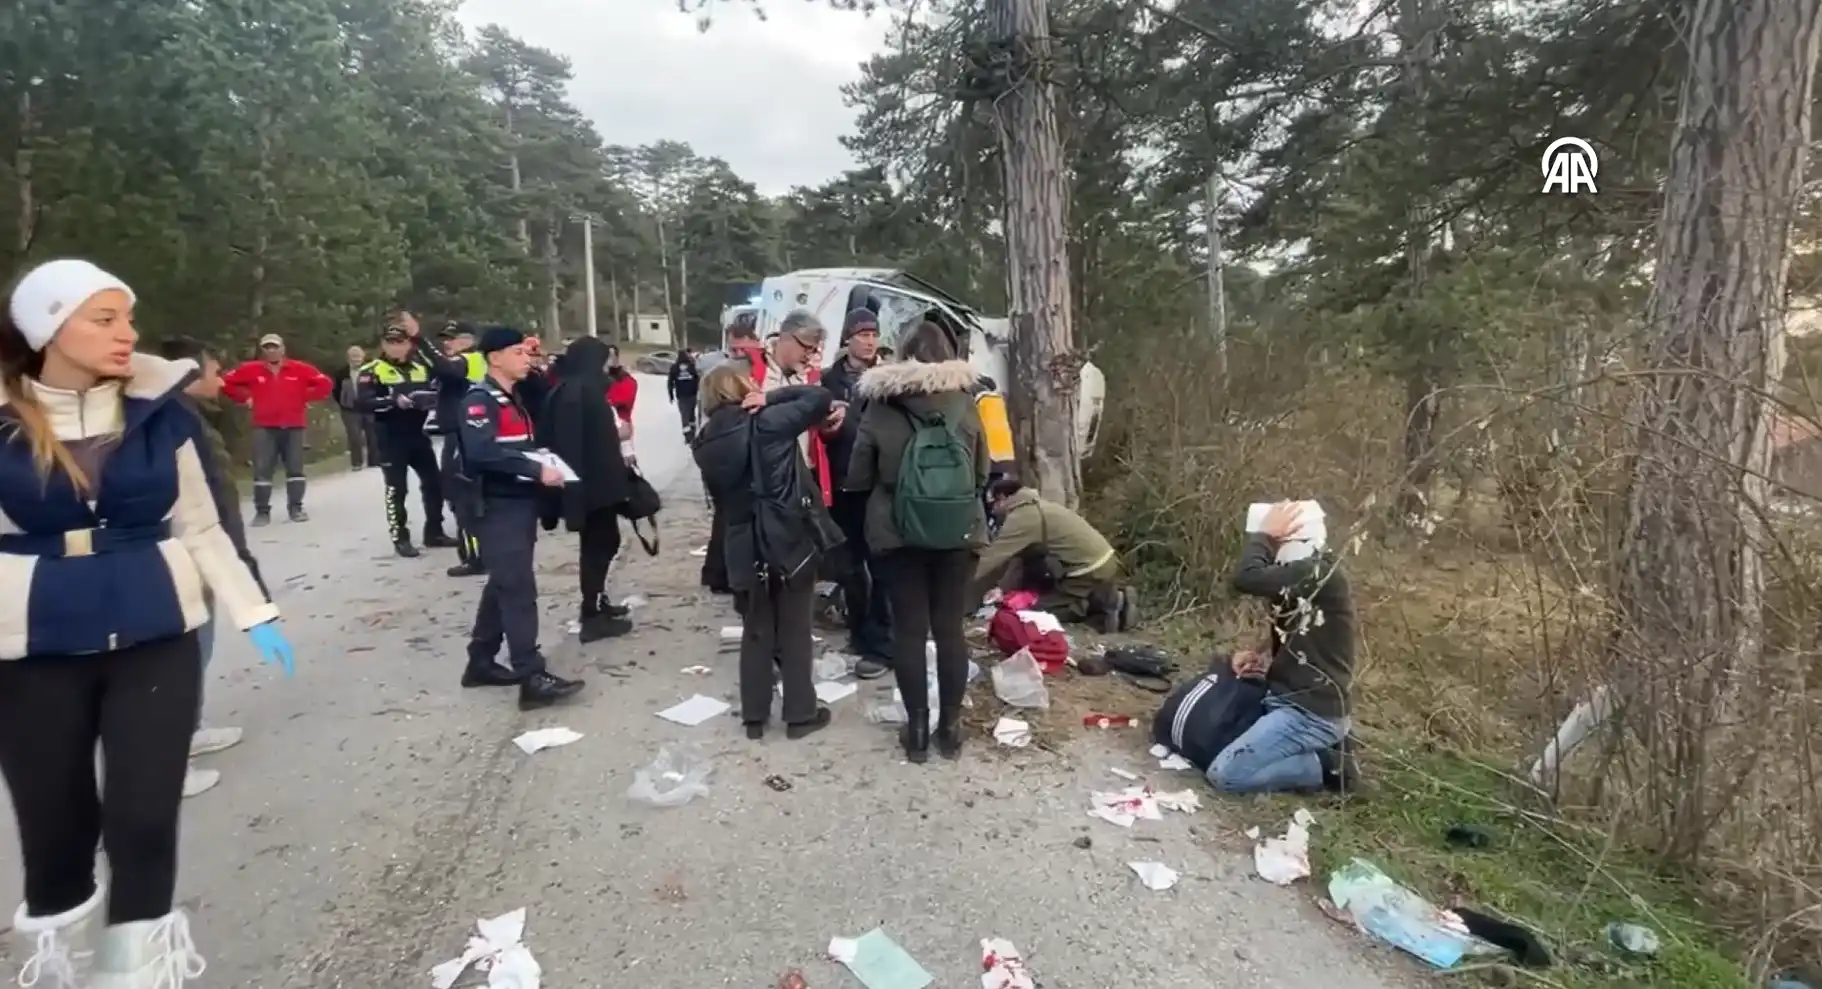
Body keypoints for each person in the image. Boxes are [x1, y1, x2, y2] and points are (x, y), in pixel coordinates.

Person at [0, 259, 294, 986]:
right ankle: (57, 961)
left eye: (128, 318)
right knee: (55, 828)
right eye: (104, 319)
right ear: (46, 327)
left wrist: (252, 609)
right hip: (32, 642)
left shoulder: (160, 411)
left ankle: (132, 971)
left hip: (156, 631)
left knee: (143, 817)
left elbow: (200, 525)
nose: (127, 334)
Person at [846, 321, 992, 762]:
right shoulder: (968, 404)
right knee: (950, 629)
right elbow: (982, 474)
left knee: (909, 631)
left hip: (896, 532)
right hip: (957, 531)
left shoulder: (879, 406)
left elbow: (857, 477)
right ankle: (950, 729)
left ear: (902, 356)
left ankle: (916, 732)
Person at [693, 353, 841, 741]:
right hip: (785, 534)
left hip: (741, 538)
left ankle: (755, 715)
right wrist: (771, 398)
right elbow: (820, 396)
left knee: (756, 628)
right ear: (742, 390)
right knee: (794, 626)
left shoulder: (705, 442)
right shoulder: (767, 422)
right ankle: (799, 713)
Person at [158, 336, 270, 801]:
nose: (221, 380)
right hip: (182, 549)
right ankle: (163, 761)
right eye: (214, 371)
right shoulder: (169, 420)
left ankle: (190, 729)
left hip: (204, 542)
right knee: (178, 655)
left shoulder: (187, 416)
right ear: (188, 373)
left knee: (197, 647)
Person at [457, 325, 585, 709]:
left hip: (517, 501)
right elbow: (482, 453)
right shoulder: (480, 400)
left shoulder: (512, 396)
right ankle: (531, 675)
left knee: (503, 581)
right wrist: (535, 470)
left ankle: (480, 661)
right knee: (518, 589)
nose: (526, 358)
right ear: (494, 357)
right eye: (518, 352)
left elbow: (543, 399)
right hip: (495, 504)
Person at [1208, 501, 1358, 795]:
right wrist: (1260, 654)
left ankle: (1323, 764)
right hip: (1282, 697)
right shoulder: (1303, 580)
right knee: (1215, 736)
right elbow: (1294, 626)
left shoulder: (1319, 574)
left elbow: (1246, 578)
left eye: (1275, 545)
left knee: (1225, 775)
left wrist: (1263, 537)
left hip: (1310, 713)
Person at [541, 336, 635, 643]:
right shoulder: (577, 392)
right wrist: (573, 498)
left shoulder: (581, 388)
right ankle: (591, 615)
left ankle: (598, 602)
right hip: (591, 487)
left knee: (606, 543)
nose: (609, 366)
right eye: (604, 359)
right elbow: (570, 447)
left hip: (600, 485)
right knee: (597, 548)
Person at [819, 308, 893, 679]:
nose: (869, 339)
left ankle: (881, 644)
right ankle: (859, 632)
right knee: (849, 567)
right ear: (847, 337)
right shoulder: (827, 379)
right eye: (862, 333)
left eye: (874, 333)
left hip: (879, 487)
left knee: (881, 566)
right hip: (841, 485)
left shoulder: (890, 379)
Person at [971, 477, 1138, 632]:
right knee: (1037, 569)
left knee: (1035, 612)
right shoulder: (1039, 506)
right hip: (1103, 559)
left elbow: (992, 556)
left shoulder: (1021, 518)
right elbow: (1020, 557)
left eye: (992, 505)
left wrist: (957, 582)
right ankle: (1104, 595)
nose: (992, 511)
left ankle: (1099, 604)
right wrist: (1002, 588)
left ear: (1001, 498)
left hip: (1088, 569)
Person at [359, 325, 453, 557]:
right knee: (396, 489)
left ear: (408, 344)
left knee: (434, 483)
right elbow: (363, 402)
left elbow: (439, 390)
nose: (395, 347)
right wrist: (392, 401)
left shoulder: (422, 367)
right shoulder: (372, 370)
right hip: (390, 436)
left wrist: (432, 401)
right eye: (390, 342)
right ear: (383, 345)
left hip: (418, 435)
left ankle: (434, 531)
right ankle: (400, 537)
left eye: (400, 342)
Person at [405, 314, 487, 576]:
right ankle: (475, 554)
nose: (447, 344)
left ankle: (475, 558)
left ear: (469, 340)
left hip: (464, 436)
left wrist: (419, 340)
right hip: (460, 434)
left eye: (452, 339)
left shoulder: (471, 359)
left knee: (463, 497)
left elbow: (445, 369)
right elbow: (449, 386)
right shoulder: (467, 362)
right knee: (459, 495)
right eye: (445, 339)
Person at [220, 332, 332, 525]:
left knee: (295, 468)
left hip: (294, 424)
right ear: (262, 350)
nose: (271, 351)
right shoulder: (251, 369)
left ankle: (296, 508)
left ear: (282, 348)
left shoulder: (299, 368)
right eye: (267, 347)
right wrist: (245, 397)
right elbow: (225, 382)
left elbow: (325, 384)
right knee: (262, 469)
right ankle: (262, 511)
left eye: (275, 347)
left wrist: (304, 397)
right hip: (264, 426)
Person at [332, 344, 380, 470]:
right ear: (348, 358)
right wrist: (343, 403)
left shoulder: (371, 370)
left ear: (363, 356)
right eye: (353, 356)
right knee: (354, 437)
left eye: (358, 356)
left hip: (369, 408)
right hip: (350, 410)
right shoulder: (341, 373)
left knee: (373, 436)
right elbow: (336, 391)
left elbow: (379, 387)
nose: (356, 358)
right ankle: (357, 463)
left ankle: (374, 461)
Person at [667, 346, 701, 439]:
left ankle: (688, 435)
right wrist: (698, 390)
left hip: (681, 396)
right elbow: (697, 379)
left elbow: (670, 382)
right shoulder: (692, 366)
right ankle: (693, 432)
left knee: (684, 416)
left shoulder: (674, 368)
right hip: (692, 394)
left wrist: (671, 396)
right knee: (691, 414)